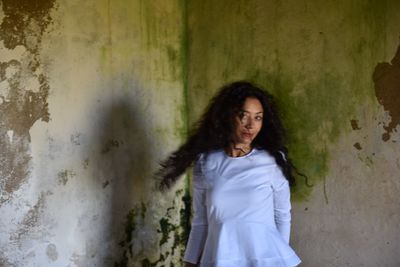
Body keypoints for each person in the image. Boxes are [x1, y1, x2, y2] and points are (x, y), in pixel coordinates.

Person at [157, 81, 302, 267]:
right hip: (220, 258)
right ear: (227, 116)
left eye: (258, 118)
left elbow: (282, 216)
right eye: (244, 116)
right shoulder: (205, 161)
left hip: (265, 260)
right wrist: (190, 262)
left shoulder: (272, 160)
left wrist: (280, 260)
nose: (251, 125)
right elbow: (201, 221)